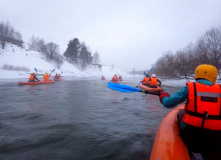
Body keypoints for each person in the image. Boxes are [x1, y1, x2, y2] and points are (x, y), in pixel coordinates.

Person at [159, 64, 221, 156]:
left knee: (180, 113)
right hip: (216, 137)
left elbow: (168, 103)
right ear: (214, 77)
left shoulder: (189, 88)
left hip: (192, 134)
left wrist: (163, 96)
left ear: (196, 75)